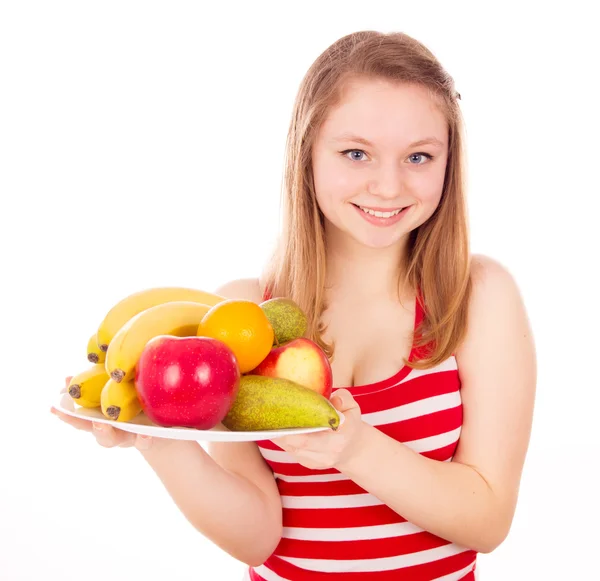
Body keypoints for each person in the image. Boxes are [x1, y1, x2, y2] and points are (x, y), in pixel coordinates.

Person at [51, 30, 537, 580]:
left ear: (448, 163)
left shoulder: (476, 297)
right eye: (356, 153)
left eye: (418, 156)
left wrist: (356, 450)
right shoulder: (243, 316)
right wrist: (159, 439)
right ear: (307, 153)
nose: (387, 185)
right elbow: (257, 537)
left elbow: (488, 521)